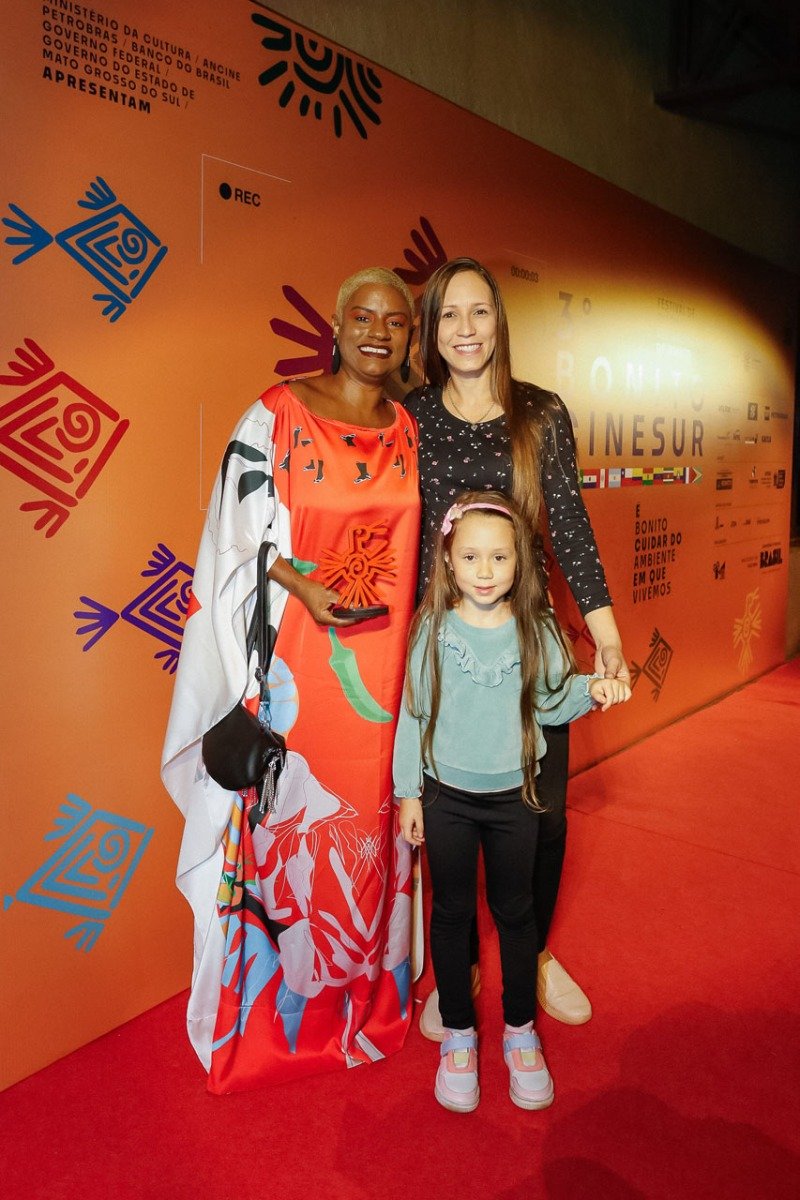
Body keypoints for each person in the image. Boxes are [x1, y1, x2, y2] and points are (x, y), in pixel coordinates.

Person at [161, 267, 421, 1093]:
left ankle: (367, 1003)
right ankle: (267, 1021)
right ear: (336, 326)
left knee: (371, 830)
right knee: (291, 829)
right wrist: (302, 587)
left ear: (410, 338)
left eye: (396, 321)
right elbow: (232, 538)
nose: (378, 331)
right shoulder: (276, 414)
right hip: (295, 675)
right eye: (363, 316)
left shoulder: (412, 429)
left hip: (385, 679)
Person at [405, 257, 630, 1036]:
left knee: (545, 815)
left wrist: (608, 642)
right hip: (447, 649)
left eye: (479, 312)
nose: (465, 330)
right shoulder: (412, 415)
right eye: (448, 315)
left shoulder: (541, 413)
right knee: (450, 812)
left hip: (529, 645)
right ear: (431, 330)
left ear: (499, 322)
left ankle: (530, 955)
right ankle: (462, 962)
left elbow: (571, 528)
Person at [393, 494, 630, 1111]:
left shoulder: (538, 629)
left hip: (514, 800)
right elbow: (413, 714)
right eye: (471, 556)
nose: (485, 570)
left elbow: (551, 703)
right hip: (444, 797)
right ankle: (459, 1034)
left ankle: (520, 1031)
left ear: (520, 562)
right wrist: (408, 793)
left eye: (500, 557)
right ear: (449, 560)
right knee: (451, 913)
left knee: (516, 914)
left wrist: (593, 690)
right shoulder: (431, 630)